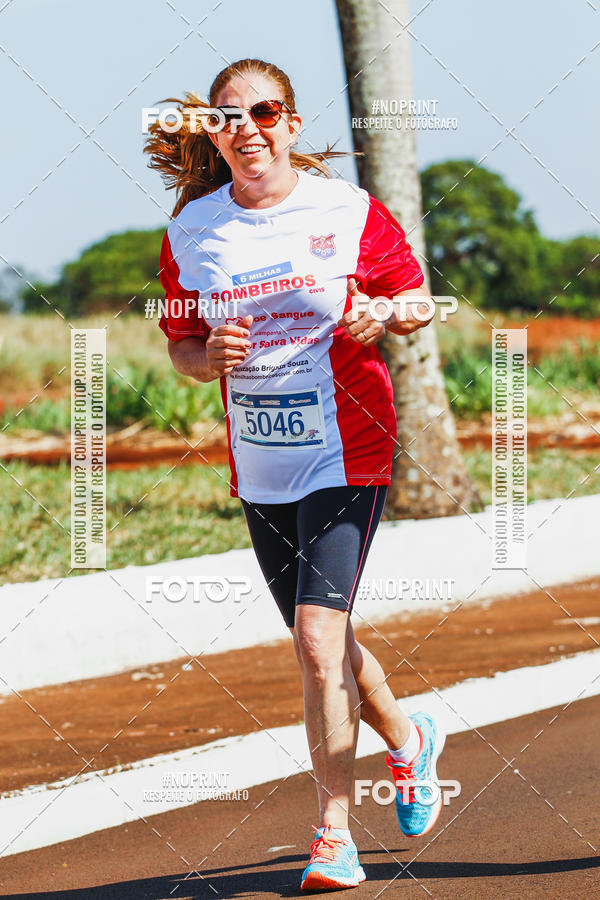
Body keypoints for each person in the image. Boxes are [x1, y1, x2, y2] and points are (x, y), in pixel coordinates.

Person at [146, 58, 446, 893]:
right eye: (229, 117)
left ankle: (333, 837)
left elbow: (417, 300)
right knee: (327, 645)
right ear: (214, 132)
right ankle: (410, 741)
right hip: (263, 459)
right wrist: (208, 356)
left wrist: (380, 311)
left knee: (317, 638)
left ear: (292, 124)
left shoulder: (345, 210)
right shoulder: (193, 232)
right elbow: (180, 348)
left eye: (266, 112)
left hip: (349, 444)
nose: (248, 129)